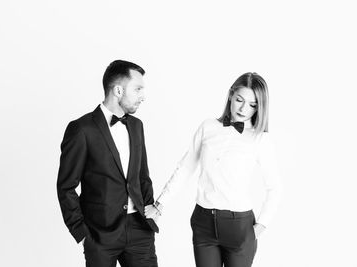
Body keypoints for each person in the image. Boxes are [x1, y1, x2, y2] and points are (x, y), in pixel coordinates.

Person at [145, 72, 281, 267]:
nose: (243, 109)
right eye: (239, 100)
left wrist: (261, 226)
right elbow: (185, 167)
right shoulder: (208, 127)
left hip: (239, 226)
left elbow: (274, 187)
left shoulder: (260, 139)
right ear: (230, 95)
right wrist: (160, 204)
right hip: (203, 222)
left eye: (252, 105)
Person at [57, 60, 158, 267]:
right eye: (137, 89)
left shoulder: (137, 126)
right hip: (99, 234)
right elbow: (66, 186)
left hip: (139, 230)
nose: (143, 96)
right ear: (118, 90)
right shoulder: (82, 129)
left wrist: (150, 208)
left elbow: (142, 176)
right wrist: (82, 233)